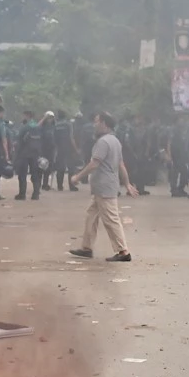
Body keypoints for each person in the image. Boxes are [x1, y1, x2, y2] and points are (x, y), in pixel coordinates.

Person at [67, 112, 137, 263]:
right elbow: (121, 165)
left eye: (96, 121)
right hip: (102, 188)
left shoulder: (103, 142)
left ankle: (123, 251)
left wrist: (77, 177)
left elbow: (94, 163)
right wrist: (127, 183)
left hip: (105, 187)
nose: (94, 124)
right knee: (91, 216)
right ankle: (86, 248)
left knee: (111, 219)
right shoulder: (115, 141)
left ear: (104, 123)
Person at [14, 109, 44, 200]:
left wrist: (16, 154)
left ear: (26, 116)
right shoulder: (38, 127)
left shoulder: (25, 127)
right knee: (35, 174)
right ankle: (36, 194)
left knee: (22, 174)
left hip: (24, 153)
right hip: (35, 154)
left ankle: (22, 194)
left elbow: (19, 140)